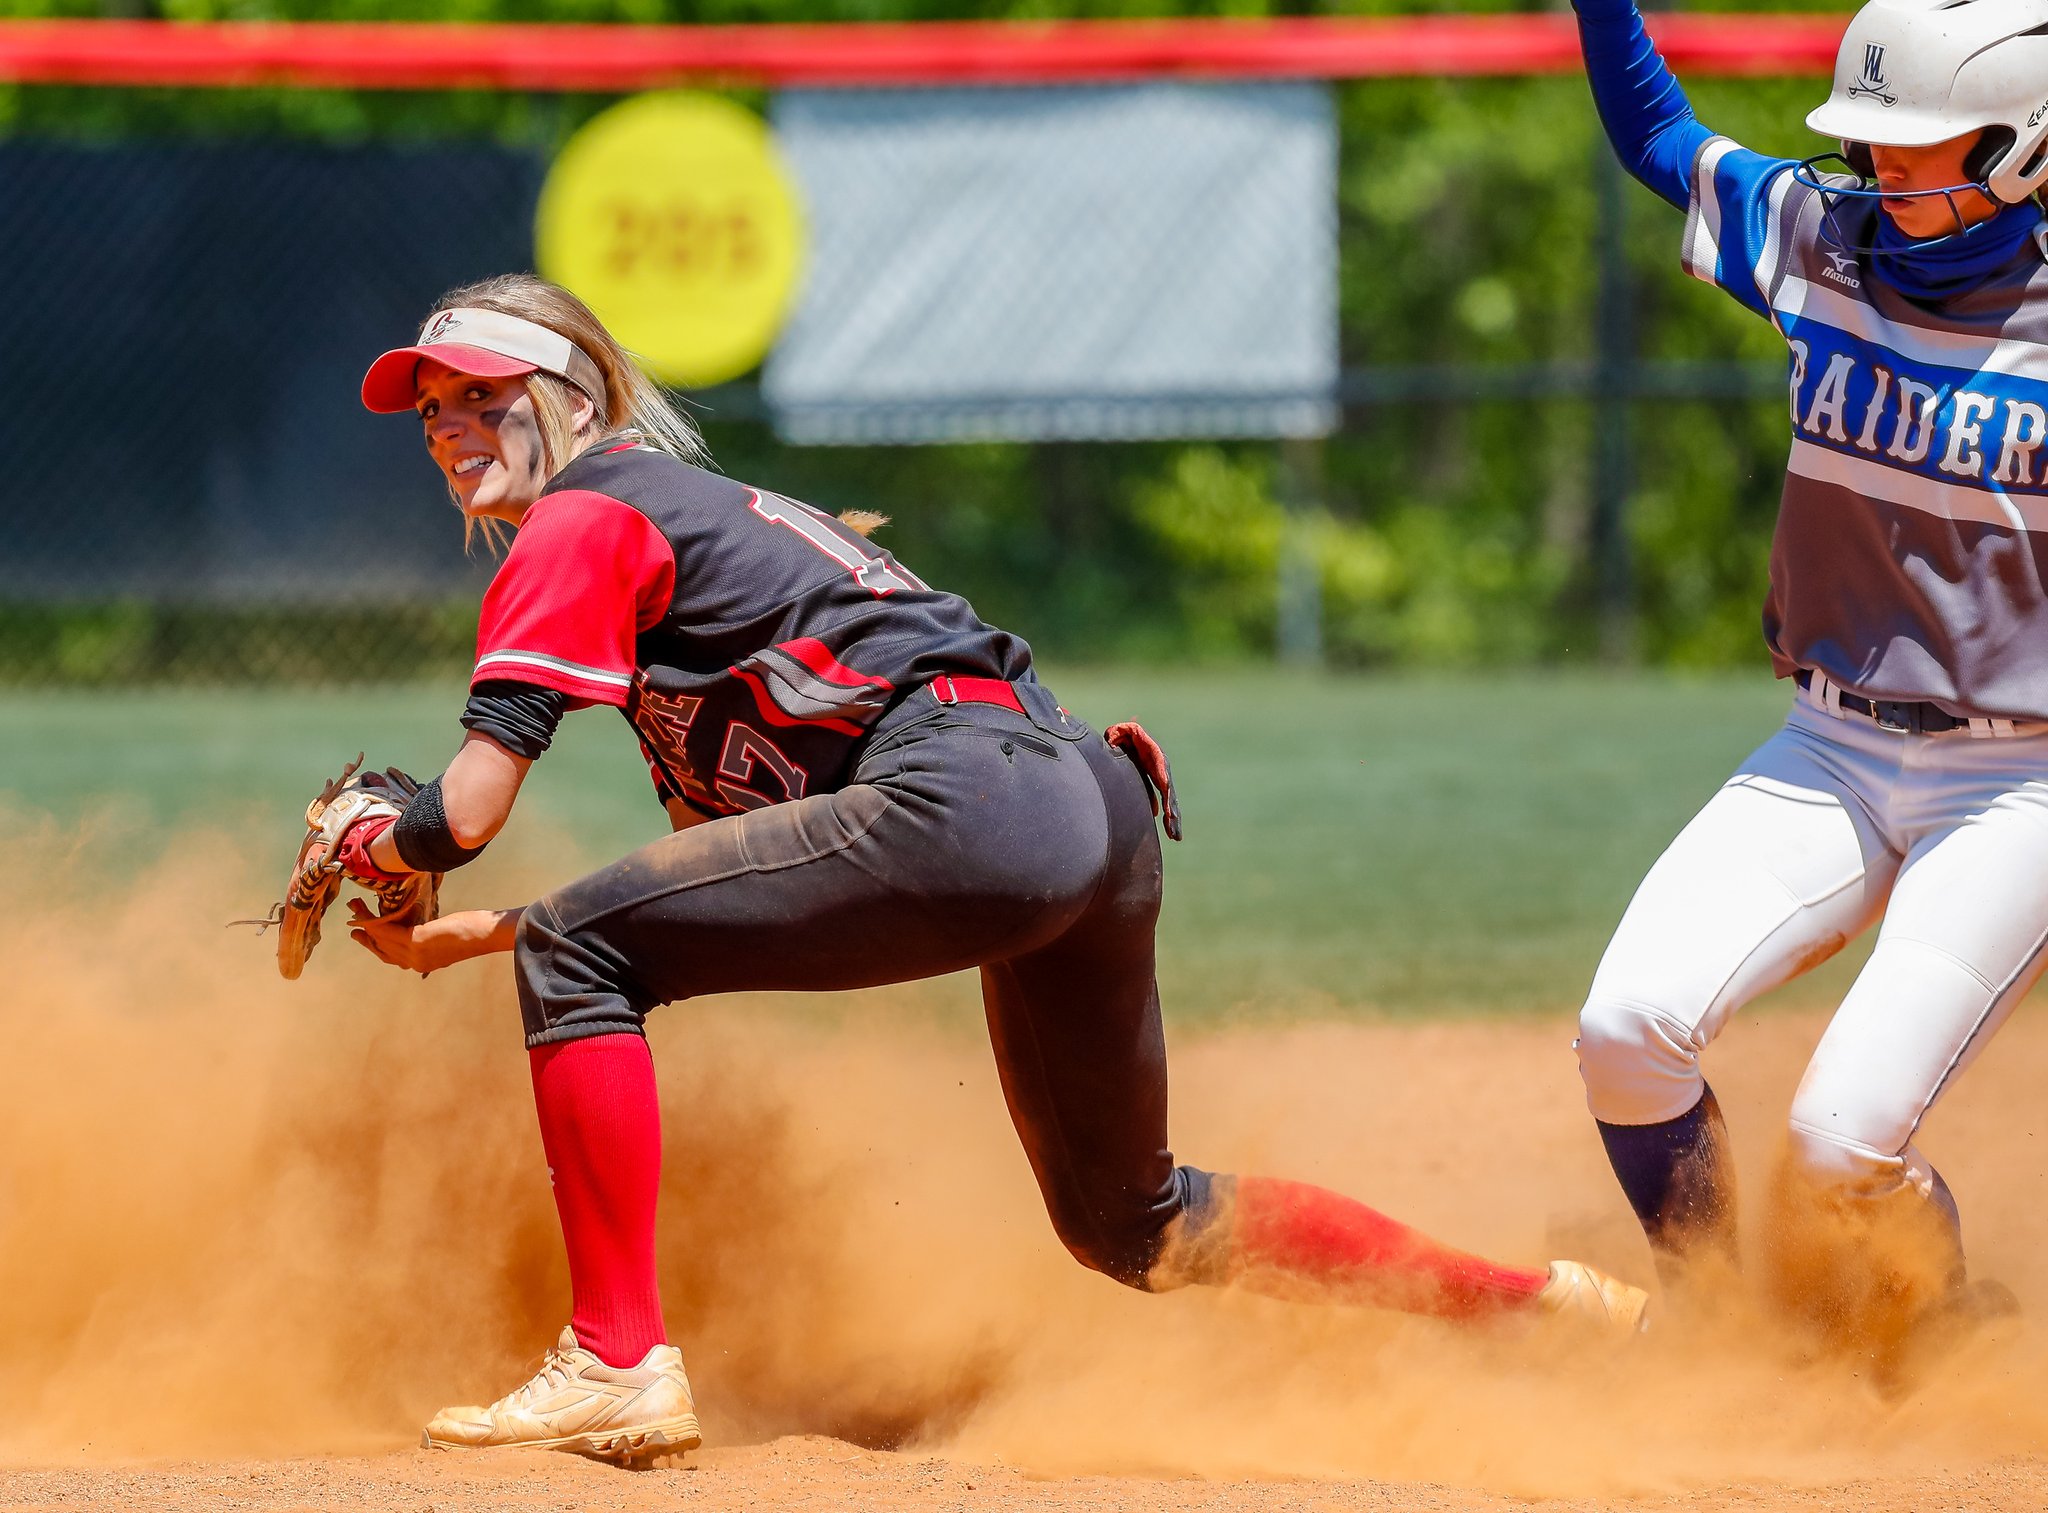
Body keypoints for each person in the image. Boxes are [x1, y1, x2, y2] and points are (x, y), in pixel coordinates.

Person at [340, 274, 1646, 1463]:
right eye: (433, 408)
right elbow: (718, 874)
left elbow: (463, 810)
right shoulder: (683, 517)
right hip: (1077, 790)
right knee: (1134, 1222)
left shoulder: (582, 520)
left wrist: (370, 842)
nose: (452, 424)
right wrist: (483, 933)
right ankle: (1545, 1315)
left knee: (586, 946)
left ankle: (617, 1358)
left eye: (484, 393)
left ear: (574, 395)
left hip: (968, 790)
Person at [1569, 0, 2048, 1332]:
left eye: (1919, 153)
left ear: (2022, 149)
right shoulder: (1821, 240)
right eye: (1871, 147)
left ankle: (1943, 1329)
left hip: (2021, 785)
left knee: (1842, 1145)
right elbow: (1658, 132)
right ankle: (1724, 1326)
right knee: (1626, 1031)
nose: (1881, 177)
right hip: (1830, 743)